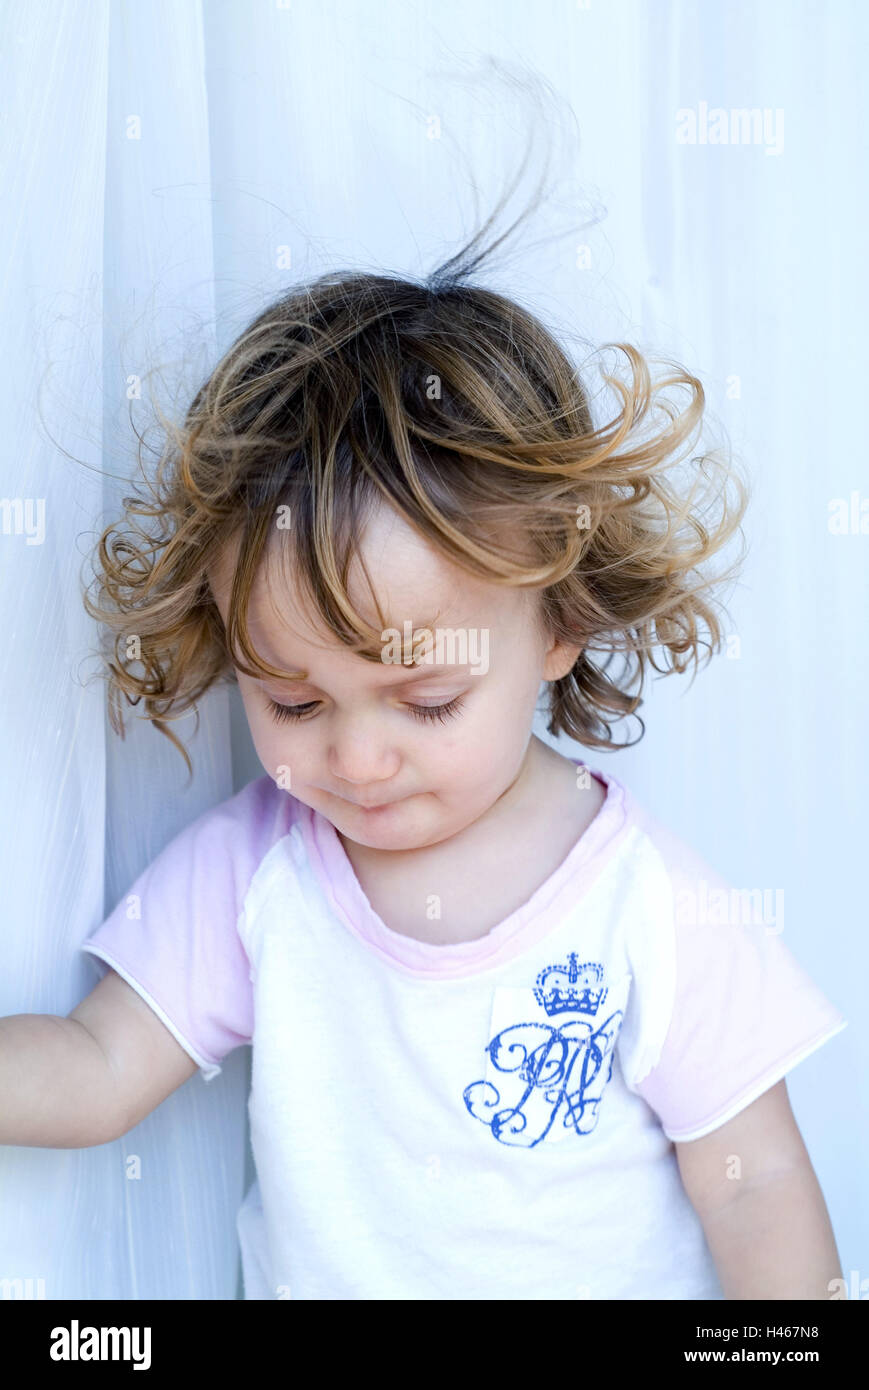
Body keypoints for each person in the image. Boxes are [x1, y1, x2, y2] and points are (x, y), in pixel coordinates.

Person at [0, 218, 847, 1299]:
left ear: (559, 625)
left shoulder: (648, 907)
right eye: (293, 700)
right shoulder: (258, 871)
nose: (356, 757)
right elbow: (97, 1069)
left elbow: (751, 1181)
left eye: (427, 697)